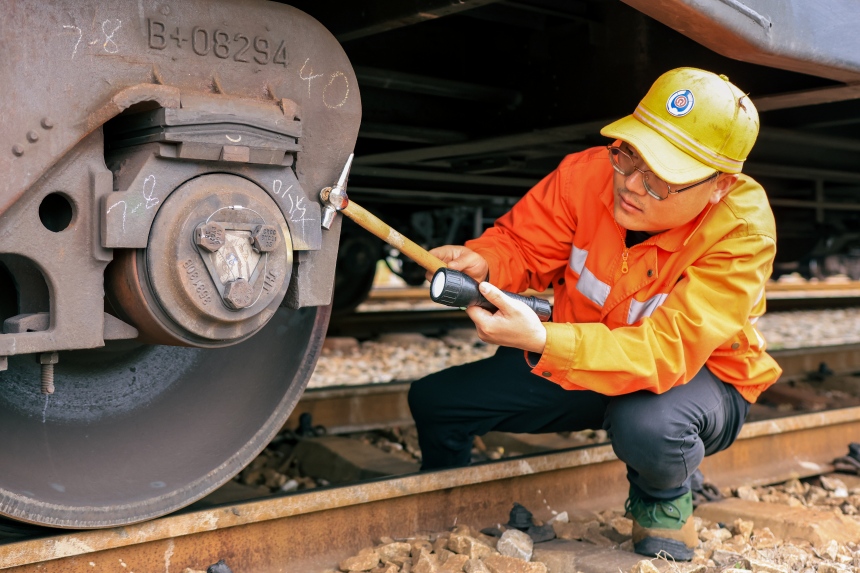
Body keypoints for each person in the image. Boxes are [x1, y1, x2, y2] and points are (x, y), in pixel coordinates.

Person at [407, 67, 782, 561]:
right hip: (586, 358)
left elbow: (663, 354)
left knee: (648, 424)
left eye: (660, 180)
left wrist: (543, 341)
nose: (630, 184)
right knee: (437, 402)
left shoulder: (743, 234)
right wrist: (487, 262)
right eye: (629, 155)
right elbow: (521, 243)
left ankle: (663, 503)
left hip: (694, 381)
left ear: (717, 187)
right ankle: (446, 502)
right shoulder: (587, 174)